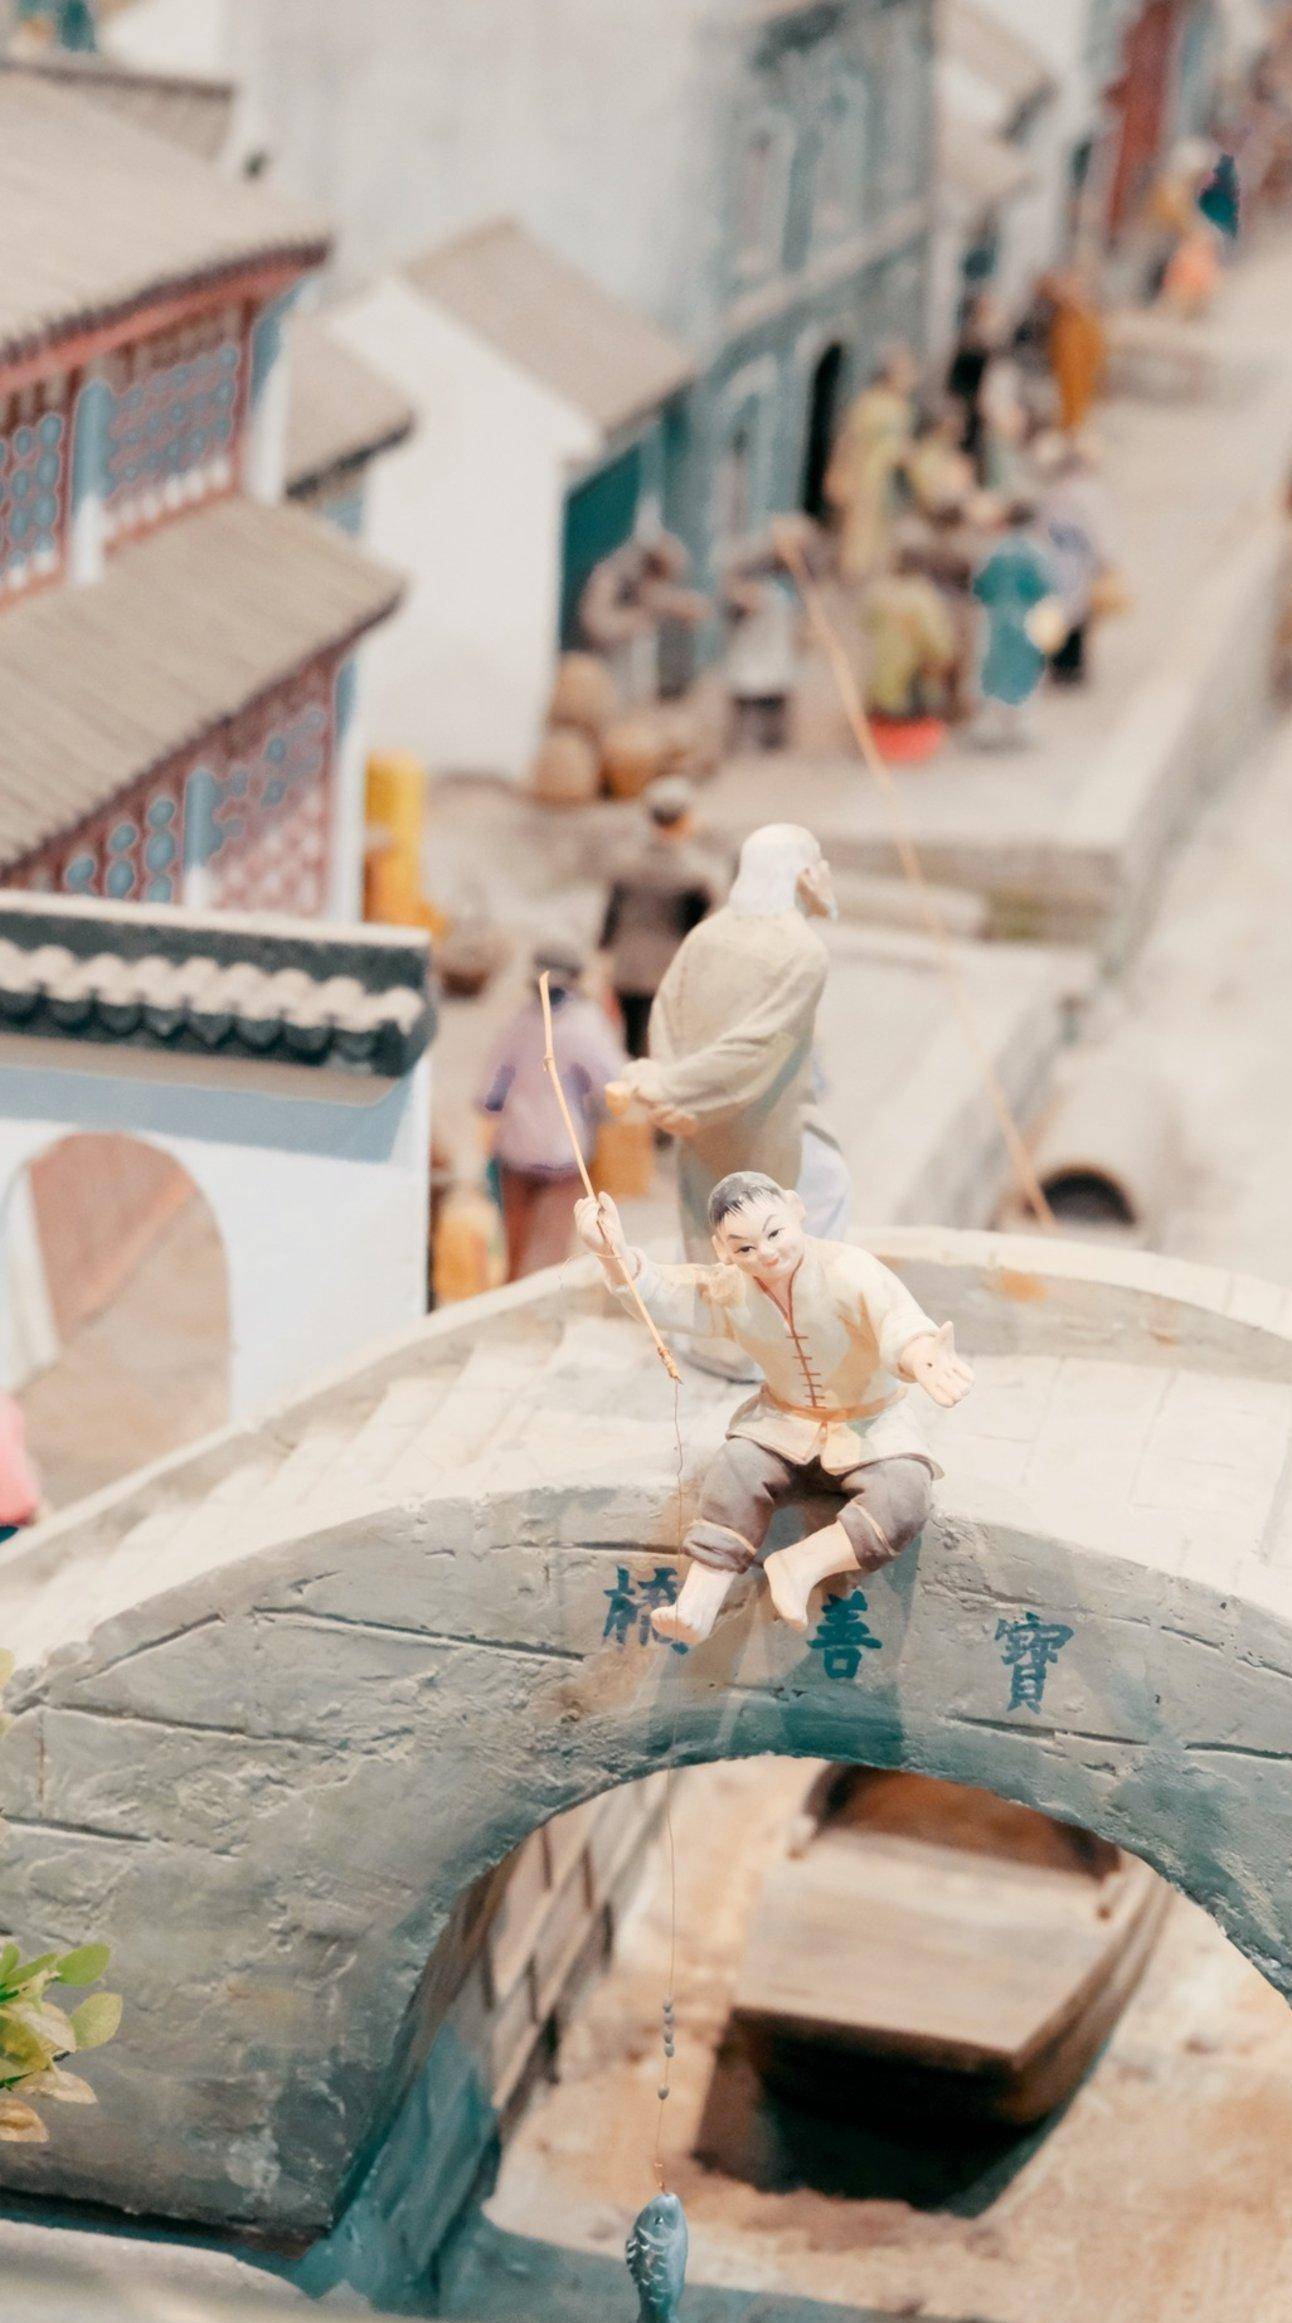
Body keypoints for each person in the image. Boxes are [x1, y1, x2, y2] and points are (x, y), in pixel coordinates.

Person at [575, 1171, 973, 1644]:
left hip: (870, 1424)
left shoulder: (849, 1270)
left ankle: (802, 1564)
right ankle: (699, 1600)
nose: (765, 1253)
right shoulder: (731, 1289)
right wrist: (612, 1253)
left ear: (796, 1210)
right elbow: (665, 1291)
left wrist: (920, 1354)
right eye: (744, 1247)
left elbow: (897, 1320)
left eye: (774, 1233)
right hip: (782, 1422)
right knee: (736, 1468)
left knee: (903, 1495)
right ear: (723, 1250)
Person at [607, 824, 849, 1265]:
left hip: (699, 1118)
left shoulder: (707, 933)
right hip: (760, 1122)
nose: (824, 873)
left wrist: (670, 1084)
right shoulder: (802, 951)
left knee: (710, 1230)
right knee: (815, 1196)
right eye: (817, 863)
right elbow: (758, 1046)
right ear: (802, 875)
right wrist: (672, 1088)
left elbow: (666, 1015)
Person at [478, 945, 626, 1280]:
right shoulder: (585, 1026)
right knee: (551, 1255)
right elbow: (613, 1085)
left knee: (515, 1251)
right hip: (565, 1154)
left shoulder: (518, 1022)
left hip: (516, 1151)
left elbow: (486, 1096)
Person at [600, 779, 722, 1058]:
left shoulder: (626, 863)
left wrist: (605, 967)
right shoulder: (694, 872)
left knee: (632, 1046)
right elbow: (697, 929)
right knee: (667, 1048)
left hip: (628, 968)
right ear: (685, 818)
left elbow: (610, 922)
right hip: (670, 971)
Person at [971, 497, 1065, 746]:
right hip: (1026, 618)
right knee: (1025, 670)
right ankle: (1019, 724)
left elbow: (979, 586)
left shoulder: (995, 552)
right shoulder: (1036, 553)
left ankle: (993, 723)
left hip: (996, 619)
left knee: (994, 669)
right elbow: (1047, 587)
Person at [825, 346, 917, 581]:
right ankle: (854, 572)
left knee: (883, 526)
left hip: (886, 477)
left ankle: (874, 571)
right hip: (866, 474)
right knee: (861, 525)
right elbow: (853, 440)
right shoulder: (872, 404)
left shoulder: (897, 406)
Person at [1034, 434, 1118, 687]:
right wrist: (1106, 559)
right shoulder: (1079, 492)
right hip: (1070, 556)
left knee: (1070, 611)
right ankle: (1067, 665)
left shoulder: (1059, 491)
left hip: (1069, 556)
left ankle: (1066, 665)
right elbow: (1102, 529)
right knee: (1072, 613)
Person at [860, 534, 958, 726]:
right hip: (911, 676)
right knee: (914, 717)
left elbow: (865, 624)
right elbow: (935, 640)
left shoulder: (879, 592)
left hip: (881, 674)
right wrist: (943, 659)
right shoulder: (923, 596)